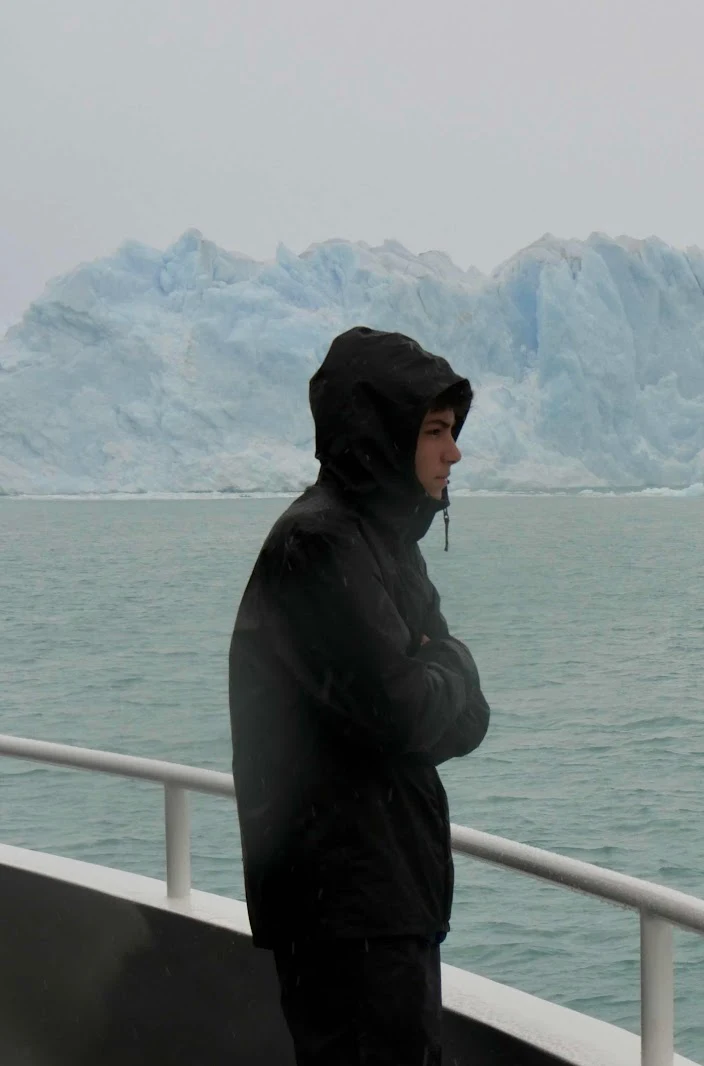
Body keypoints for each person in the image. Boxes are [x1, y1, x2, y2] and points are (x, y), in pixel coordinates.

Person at [228, 326, 492, 1065]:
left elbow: (470, 718)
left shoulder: (383, 545)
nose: (454, 452)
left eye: (453, 430)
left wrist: (439, 666)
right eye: (435, 431)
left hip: (380, 898)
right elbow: (405, 711)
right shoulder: (321, 546)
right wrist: (448, 662)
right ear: (383, 435)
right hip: (346, 911)